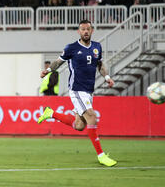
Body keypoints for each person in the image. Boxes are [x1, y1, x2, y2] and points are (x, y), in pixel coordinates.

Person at [37, 20, 117, 167]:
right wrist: (47, 71)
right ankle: (101, 155)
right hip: (77, 89)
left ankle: (51, 113)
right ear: (78, 32)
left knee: (79, 125)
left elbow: (99, 64)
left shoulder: (97, 47)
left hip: (88, 91)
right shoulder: (72, 48)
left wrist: (107, 77)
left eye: (88, 29)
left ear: (92, 31)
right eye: (83, 29)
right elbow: (58, 62)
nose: (85, 31)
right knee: (92, 117)